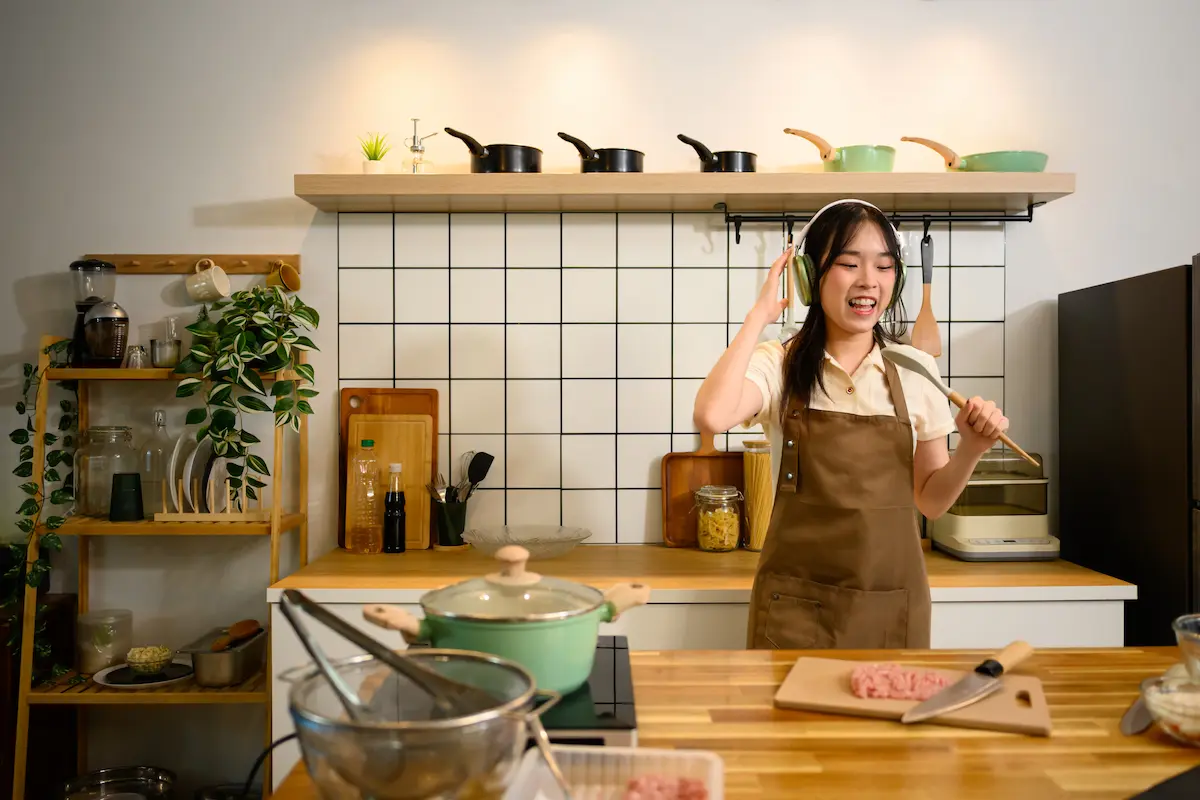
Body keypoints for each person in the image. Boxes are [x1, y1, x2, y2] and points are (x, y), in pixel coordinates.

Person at [693, 199, 1009, 649]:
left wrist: (973, 448)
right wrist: (758, 318)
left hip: (891, 609)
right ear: (809, 278)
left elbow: (932, 501)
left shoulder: (917, 369)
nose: (868, 281)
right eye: (848, 263)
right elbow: (712, 415)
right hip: (793, 612)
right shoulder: (780, 364)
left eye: (883, 267)